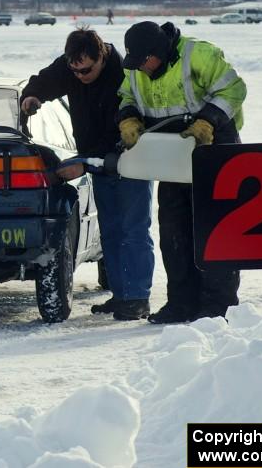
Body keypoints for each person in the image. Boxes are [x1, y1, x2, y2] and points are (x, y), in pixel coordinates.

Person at [20, 29, 155, 321]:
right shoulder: (72, 66)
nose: (80, 75)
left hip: (130, 160)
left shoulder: (124, 74)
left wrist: (87, 163)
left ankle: (137, 298)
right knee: (111, 231)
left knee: (133, 230)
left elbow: (123, 133)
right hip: (97, 163)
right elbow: (46, 80)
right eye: (75, 70)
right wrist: (32, 95)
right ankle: (121, 296)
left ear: (102, 57)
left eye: (87, 70)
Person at [118, 21, 246, 324]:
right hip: (172, 153)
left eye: (145, 62)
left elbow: (234, 89)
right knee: (174, 231)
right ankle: (182, 302)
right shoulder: (137, 67)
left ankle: (218, 306)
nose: (142, 69)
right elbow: (126, 96)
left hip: (214, 146)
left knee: (214, 229)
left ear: (159, 52)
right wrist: (128, 118)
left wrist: (208, 120)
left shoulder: (198, 54)